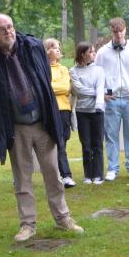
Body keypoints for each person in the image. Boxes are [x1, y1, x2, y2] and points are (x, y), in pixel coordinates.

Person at [0, 13, 83, 242]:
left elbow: (44, 81)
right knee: (22, 178)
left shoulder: (33, 47)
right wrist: (5, 110)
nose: (8, 32)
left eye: (10, 26)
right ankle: (27, 225)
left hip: (42, 122)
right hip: (16, 126)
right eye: (1, 29)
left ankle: (63, 218)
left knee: (53, 173)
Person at [94, 18, 129, 181]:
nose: (118, 34)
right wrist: (102, 94)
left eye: (121, 31)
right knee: (110, 135)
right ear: (111, 31)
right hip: (111, 100)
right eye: (115, 31)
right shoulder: (103, 52)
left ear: (125, 30)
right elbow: (97, 74)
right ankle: (113, 168)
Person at [71, 42, 106, 184]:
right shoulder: (73, 71)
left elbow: (100, 87)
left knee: (97, 143)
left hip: (97, 111)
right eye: (91, 52)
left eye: (94, 52)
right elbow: (79, 90)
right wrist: (97, 92)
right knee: (86, 144)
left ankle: (98, 174)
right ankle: (88, 174)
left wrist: (98, 101)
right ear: (82, 54)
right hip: (82, 112)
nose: (94, 54)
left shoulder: (99, 70)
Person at [44, 38, 76, 188]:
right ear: (47, 50)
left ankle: (62, 174)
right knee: (56, 143)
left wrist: (52, 88)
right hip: (50, 110)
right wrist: (52, 88)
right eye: (54, 47)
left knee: (63, 141)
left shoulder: (63, 69)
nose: (58, 50)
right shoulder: (43, 68)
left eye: (58, 47)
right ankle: (66, 175)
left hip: (64, 109)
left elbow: (65, 88)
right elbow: (44, 88)